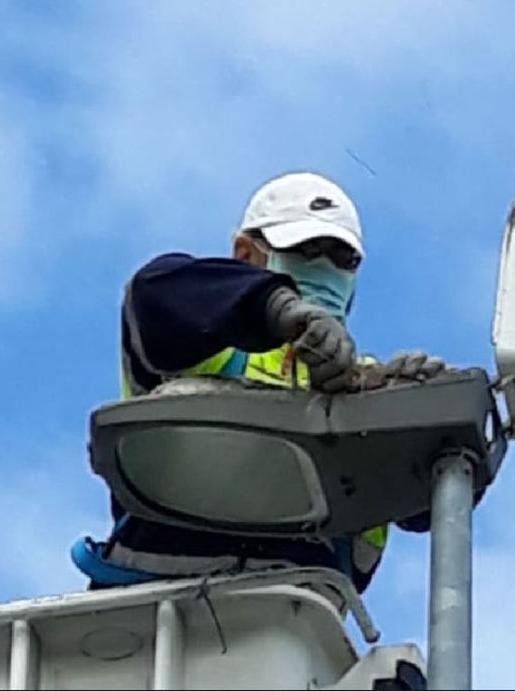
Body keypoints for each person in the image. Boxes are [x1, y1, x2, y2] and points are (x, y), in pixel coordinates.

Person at [72, 171, 446, 594]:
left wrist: (427, 420)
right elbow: (155, 291)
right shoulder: (208, 341)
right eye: (306, 251)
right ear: (246, 255)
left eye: (343, 260)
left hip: (286, 632)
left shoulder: (370, 388)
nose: (325, 269)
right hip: (153, 616)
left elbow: (433, 502)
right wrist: (277, 307)